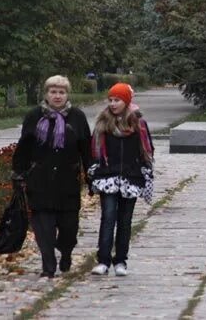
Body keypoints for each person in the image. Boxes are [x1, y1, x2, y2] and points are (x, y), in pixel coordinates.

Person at [11, 75, 92, 278]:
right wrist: (18, 173)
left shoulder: (77, 117)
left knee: (69, 230)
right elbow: (23, 147)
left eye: (61, 92)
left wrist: (91, 176)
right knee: (43, 229)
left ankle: (66, 252)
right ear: (46, 94)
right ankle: (48, 265)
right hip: (40, 180)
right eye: (53, 92)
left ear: (67, 95)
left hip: (68, 182)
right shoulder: (34, 116)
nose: (57, 96)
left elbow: (86, 149)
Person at [88, 83, 154, 277]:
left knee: (125, 221)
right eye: (110, 100)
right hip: (108, 177)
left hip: (131, 177)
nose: (113, 103)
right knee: (108, 217)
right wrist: (95, 170)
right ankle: (103, 260)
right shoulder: (103, 123)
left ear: (126, 101)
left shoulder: (138, 124)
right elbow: (95, 150)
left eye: (117, 100)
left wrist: (145, 170)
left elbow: (146, 149)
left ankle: (121, 261)